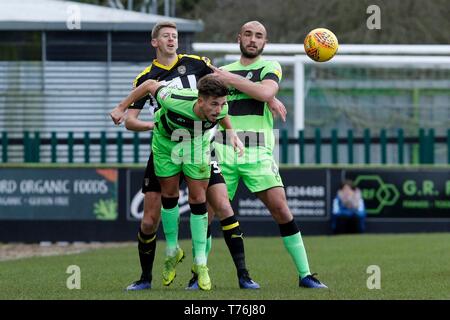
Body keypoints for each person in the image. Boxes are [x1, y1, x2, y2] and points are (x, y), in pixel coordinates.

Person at [110, 21, 260, 291]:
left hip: (199, 144)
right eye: (166, 36)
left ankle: (241, 275)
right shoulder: (148, 78)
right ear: (155, 42)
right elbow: (131, 121)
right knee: (149, 220)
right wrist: (147, 122)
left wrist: (258, 107)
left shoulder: (196, 63)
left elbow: (221, 85)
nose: (171, 40)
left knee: (222, 206)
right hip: (167, 144)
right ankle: (147, 277)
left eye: (175, 36)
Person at [212, 21, 327, 288]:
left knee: (280, 208)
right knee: (208, 214)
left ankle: (305, 274)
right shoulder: (223, 71)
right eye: (248, 34)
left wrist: (263, 94)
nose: (253, 39)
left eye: (259, 36)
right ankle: (198, 276)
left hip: (258, 151)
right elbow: (209, 103)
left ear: (265, 42)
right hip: (223, 148)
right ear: (238, 37)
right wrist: (258, 93)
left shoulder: (269, 67)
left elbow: (265, 90)